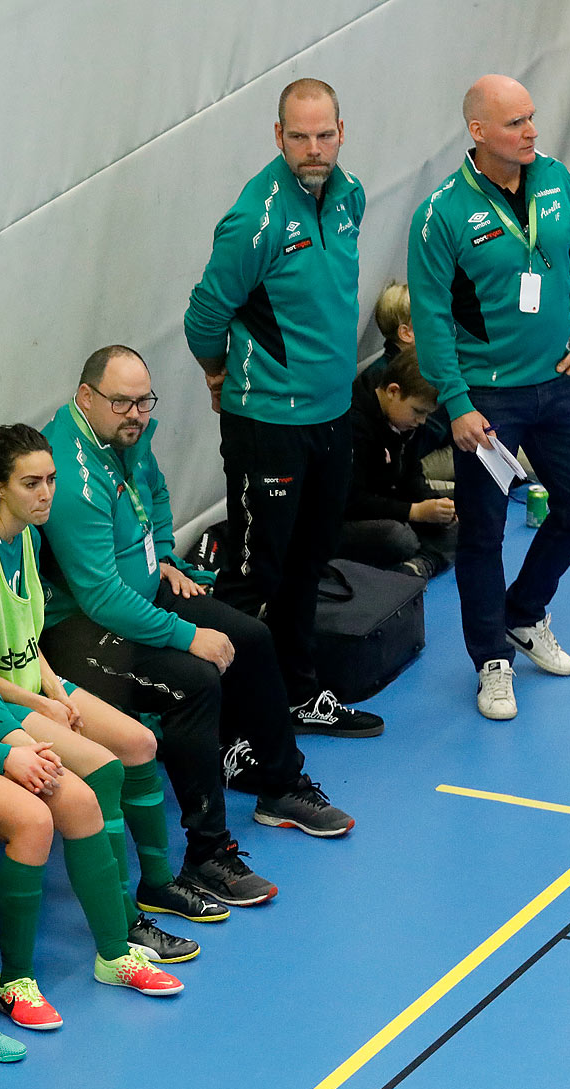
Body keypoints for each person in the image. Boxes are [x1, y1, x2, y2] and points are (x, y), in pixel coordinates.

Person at [38, 345, 356, 908]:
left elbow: (154, 492)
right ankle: (207, 852)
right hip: (84, 630)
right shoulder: (70, 477)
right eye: (121, 403)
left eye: (144, 401)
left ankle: (280, 787)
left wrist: (161, 552)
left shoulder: (122, 438)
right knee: (196, 680)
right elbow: (102, 597)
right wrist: (187, 636)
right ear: (85, 398)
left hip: (142, 589)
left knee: (252, 640)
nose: (136, 414)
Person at [0, 489, 185, 1032]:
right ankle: (14, 981)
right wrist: (4, 757)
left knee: (81, 799)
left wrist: (21, 744)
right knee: (32, 819)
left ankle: (115, 954)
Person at [0, 424, 224, 961]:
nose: (45, 494)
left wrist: (56, 686)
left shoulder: (29, 540)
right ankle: (124, 919)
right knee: (104, 769)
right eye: (30, 483)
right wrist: (45, 705)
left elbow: (25, 637)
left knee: (140, 745)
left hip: (36, 685)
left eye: (52, 480)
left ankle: (158, 884)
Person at [184, 76, 384, 740]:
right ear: (278, 137)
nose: (313, 148)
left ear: (342, 132)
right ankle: (236, 727)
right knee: (251, 574)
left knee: (309, 560)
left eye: (325, 134)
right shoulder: (257, 218)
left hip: (331, 416)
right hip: (268, 424)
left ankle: (300, 694)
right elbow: (205, 314)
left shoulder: (349, 196)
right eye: (298, 136)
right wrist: (221, 373)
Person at [408, 75, 570, 721]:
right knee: (484, 535)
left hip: (557, 382)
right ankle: (491, 659)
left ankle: (523, 612)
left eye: (532, 117)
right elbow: (432, 316)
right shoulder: (441, 214)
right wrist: (458, 403)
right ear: (478, 131)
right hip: (489, 402)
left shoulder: (556, 181)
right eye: (516, 122)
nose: (531, 131)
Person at [371, 281, 570, 502]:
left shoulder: (429, 360)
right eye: (433, 320)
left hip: (458, 436)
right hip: (430, 457)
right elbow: (427, 432)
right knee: (514, 452)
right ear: (407, 333)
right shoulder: (401, 376)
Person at [341, 348, 459, 579]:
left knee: (466, 511)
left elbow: (411, 476)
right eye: (418, 412)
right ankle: (427, 558)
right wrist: (414, 512)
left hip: (390, 506)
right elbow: (351, 501)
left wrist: (435, 505)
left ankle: (421, 564)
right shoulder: (352, 424)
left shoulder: (403, 421)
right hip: (346, 520)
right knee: (398, 538)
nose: (422, 421)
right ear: (393, 391)